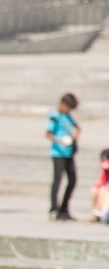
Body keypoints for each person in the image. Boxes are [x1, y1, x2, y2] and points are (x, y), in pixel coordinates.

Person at [46, 93, 81, 221]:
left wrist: (74, 138)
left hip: (69, 153)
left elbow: (78, 128)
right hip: (58, 153)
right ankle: (54, 208)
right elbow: (48, 133)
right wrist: (60, 141)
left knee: (72, 179)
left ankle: (64, 208)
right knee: (57, 180)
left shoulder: (68, 116)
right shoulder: (54, 116)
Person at [91, 148, 109, 223]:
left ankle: (101, 213)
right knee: (95, 189)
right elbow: (102, 182)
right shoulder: (104, 171)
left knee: (103, 191)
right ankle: (96, 213)